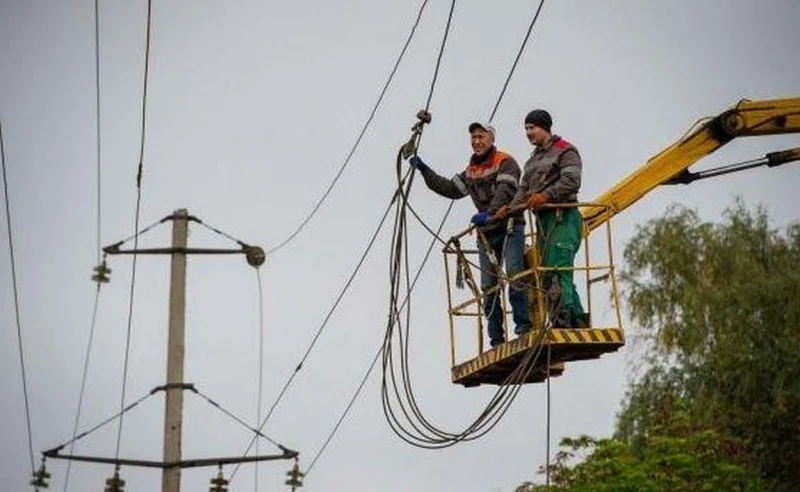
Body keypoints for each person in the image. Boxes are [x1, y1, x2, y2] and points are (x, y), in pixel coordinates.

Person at [408, 122, 531, 347]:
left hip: (510, 226)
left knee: (514, 275)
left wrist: (490, 213)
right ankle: (497, 339)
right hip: (487, 234)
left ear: (492, 138)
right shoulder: (471, 171)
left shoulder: (505, 162)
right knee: (489, 286)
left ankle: (523, 328)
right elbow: (450, 189)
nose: (476, 141)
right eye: (473, 137)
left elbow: (505, 192)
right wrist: (424, 170)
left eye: (481, 137)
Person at [497, 109, 587, 328]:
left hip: (563, 216)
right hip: (544, 221)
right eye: (526, 128)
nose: (528, 132)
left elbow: (571, 181)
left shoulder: (565, 151)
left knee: (558, 269)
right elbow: (523, 190)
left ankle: (562, 319)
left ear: (544, 127)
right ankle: (577, 319)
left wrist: (546, 195)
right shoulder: (532, 161)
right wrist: (509, 209)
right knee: (548, 270)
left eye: (532, 128)